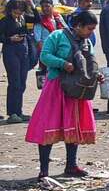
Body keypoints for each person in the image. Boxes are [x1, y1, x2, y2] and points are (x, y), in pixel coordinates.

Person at [25, 10, 103, 179]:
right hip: (57, 87)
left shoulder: (86, 41)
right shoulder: (57, 36)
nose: (91, 33)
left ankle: (71, 166)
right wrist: (63, 63)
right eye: (89, 29)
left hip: (77, 90)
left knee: (74, 125)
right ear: (77, 25)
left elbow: (90, 63)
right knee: (48, 125)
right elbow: (45, 56)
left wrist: (97, 75)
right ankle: (44, 170)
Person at [1, 0, 38, 122]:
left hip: (24, 50)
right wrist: (10, 39)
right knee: (14, 82)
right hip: (10, 51)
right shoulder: (5, 21)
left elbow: (37, 19)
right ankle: (12, 113)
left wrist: (32, 6)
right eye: (15, 12)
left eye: (20, 12)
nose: (17, 14)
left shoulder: (24, 18)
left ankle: (19, 111)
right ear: (10, 10)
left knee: (22, 82)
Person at [33, 0, 67, 91]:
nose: (45, 8)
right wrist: (47, 56)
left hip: (61, 53)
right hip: (48, 55)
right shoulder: (39, 21)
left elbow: (67, 30)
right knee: (48, 83)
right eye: (43, 6)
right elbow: (38, 40)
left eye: (47, 6)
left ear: (52, 6)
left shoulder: (58, 18)